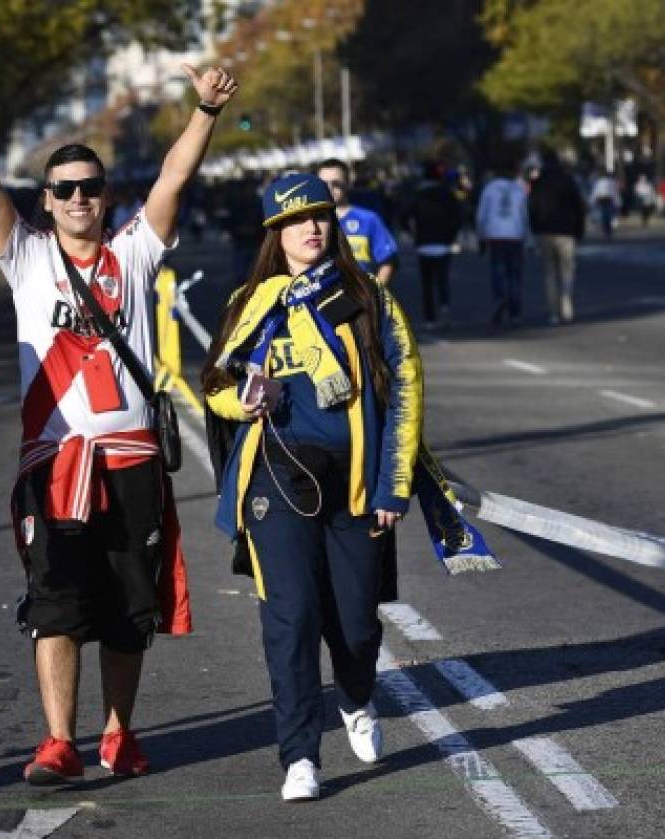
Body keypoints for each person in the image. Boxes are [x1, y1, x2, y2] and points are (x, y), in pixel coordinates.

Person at [0, 62, 228, 784]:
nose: (78, 199)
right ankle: (59, 739)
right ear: (48, 200)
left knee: (130, 606)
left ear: (105, 196)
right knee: (56, 604)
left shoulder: (134, 250)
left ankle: (119, 733)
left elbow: (173, 180)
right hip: (57, 463)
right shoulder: (27, 256)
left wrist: (205, 111)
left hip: (129, 460)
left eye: (90, 187)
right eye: (64, 189)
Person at [201, 172, 495, 802]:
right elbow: (216, 385)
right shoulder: (250, 302)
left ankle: (356, 698)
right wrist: (242, 403)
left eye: (321, 216)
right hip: (276, 476)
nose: (311, 228)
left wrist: (394, 487)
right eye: (295, 220)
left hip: (357, 482)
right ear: (273, 233)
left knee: (357, 624)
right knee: (292, 616)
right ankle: (299, 757)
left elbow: (407, 389)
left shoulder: (369, 298)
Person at [316, 158, 398, 287]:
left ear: (348, 183)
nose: (330, 188)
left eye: (336, 183)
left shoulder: (369, 219)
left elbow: (387, 261)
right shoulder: (309, 222)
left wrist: (375, 294)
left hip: (362, 297)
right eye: (324, 184)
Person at [528, 149, 586, 325]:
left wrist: (535, 228)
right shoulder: (568, 181)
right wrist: (579, 230)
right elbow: (579, 207)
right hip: (566, 231)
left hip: (546, 232)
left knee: (550, 273)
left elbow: (532, 208)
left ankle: (553, 312)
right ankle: (567, 304)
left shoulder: (539, 183)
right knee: (567, 270)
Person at [402, 161, 462, 329]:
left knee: (426, 283)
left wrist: (412, 233)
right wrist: (452, 235)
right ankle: (445, 308)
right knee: (442, 280)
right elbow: (458, 216)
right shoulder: (447, 194)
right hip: (443, 243)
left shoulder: (418, 194)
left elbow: (404, 216)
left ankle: (430, 318)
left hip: (424, 243)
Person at [476, 159, 531, 326]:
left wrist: (481, 235)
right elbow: (524, 215)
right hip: (515, 234)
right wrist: (528, 238)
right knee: (515, 274)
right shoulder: (518, 189)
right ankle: (515, 310)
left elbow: (481, 215)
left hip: (496, 234)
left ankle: (500, 298)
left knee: (498, 272)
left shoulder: (489, 189)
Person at [589, 170, 619, 239]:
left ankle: (606, 230)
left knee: (605, 215)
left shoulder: (599, 182)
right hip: (608, 199)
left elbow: (596, 192)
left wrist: (592, 201)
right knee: (608, 215)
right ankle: (608, 230)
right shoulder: (611, 182)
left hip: (603, 199)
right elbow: (614, 192)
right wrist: (617, 201)